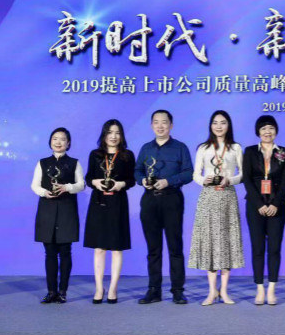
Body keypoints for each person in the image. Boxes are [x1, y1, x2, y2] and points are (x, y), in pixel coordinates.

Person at [134, 109, 193, 304]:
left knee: (175, 246)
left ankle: (177, 290)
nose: (160, 126)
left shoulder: (180, 148)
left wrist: (168, 181)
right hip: (149, 200)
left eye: (164, 122)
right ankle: (154, 290)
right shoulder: (146, 148)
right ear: (152, 125)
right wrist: (142, 180)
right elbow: (137, 171)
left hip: (172, 199)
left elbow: (188, 173)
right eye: (156, 122)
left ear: (171, 125)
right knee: (153, 248)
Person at [189, 110, 245, 305]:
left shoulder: (235, 148)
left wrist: (230, 179)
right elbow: (195, 174)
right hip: (208, 197)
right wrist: (203, 180)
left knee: (227, 242)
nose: (219, 126)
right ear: (210, 125)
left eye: (223, 122)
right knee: (210, 243)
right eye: (215, 122)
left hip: (227, 197)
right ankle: (212, 291)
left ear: (228, 126)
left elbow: (243, 174)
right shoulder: (203, 148)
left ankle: (225, 291)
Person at [83, 119, 135, 304]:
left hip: (118, 202)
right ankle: (99, 287)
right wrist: (95, 182)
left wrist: (120, 184)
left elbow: (132, 180)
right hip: (99, 202)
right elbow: (88, 178)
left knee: (117, 248)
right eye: (110, 132)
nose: (114, 136)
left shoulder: (127, 155)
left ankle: (113, 288)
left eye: (117, 133)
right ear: (104, 135)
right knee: (99, 248)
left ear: (122, 136)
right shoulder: (95, 155)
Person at [31, 127, 85, 304]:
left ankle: (63, 292)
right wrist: (44, 192)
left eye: (62, 139)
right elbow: (34, 185)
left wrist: (67, 187)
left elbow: (81, 185)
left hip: (67, 210)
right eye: (55, 138)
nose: (58, 142)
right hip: (47, 210)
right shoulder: (42, 163)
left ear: (68, 143)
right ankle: (51, 291)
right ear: (50, 141)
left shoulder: (74, 163)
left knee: (65, 251)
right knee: (49, 253)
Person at [243, 115, 285, 306]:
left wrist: (275, 204)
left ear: (276, 131)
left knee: (274, 248)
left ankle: (271, 289)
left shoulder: (283, 152)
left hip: (277, 206)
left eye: (271, 128)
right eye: (263, 129)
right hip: (255, 206)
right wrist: (259, 204)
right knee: (257, 248)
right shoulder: (250, 152)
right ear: (258, 132)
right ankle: (259, 289)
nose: (267, 132)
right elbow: (247, 179)